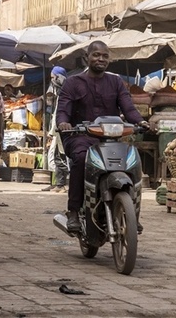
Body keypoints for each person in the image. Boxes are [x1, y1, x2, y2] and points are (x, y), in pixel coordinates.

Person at [56, 41, 149, 233]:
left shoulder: (115, 82)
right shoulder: (72, 83)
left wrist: (141, 122)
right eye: (96, 55)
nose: (101, 59)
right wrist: (64, 123)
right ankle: (73, 211)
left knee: (132, 161)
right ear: (86, 58)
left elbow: (128, 108)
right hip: (79, 136)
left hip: (110, 138)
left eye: (105, 56)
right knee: (81, 159)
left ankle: (132, 214)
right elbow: (63, 110)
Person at [41, 66, 69, 192]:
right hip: (56, 130)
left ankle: (61, 184)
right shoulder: (59, 93)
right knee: (54, 155)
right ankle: (57, 183)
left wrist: (53, 132)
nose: (52, 80)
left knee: (59, 156)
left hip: (60, 131)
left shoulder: (65, 93)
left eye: (53, 77)